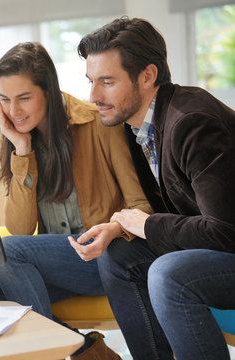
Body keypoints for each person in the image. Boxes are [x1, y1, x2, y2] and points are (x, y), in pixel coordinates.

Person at [0, 42, 152, 359]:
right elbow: (20, 226)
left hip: (106, 254)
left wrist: (113, 229)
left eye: (24, 98)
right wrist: (22, 151)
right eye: (4, 99)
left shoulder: (97, 123)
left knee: (6, 250)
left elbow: (140, 203)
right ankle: (86, 351)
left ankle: (47, 353)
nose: (14, 111)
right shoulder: (15, 138)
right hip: (61, 261)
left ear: (48, 91)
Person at [73, 17, 235, 360]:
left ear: (147, 76)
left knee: (168, 274)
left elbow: (225, 231)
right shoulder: (137, 125)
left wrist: (145, 225)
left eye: (107, 81)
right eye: (91, 81)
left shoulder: (192, 122)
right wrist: (120, 226)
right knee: (118, 256)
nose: (94, 96)